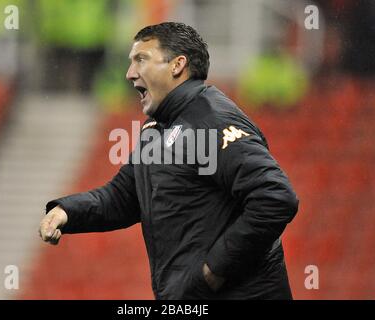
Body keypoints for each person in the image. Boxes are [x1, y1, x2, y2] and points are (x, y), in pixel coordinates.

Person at [39, 22, 299, 300]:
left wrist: (213, 272)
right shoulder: (159, 129)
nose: (129, 74)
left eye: (141, 59)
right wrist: (66, 211)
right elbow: (123, 198)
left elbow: (275, 197)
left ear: (177, 65)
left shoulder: (213, 120)